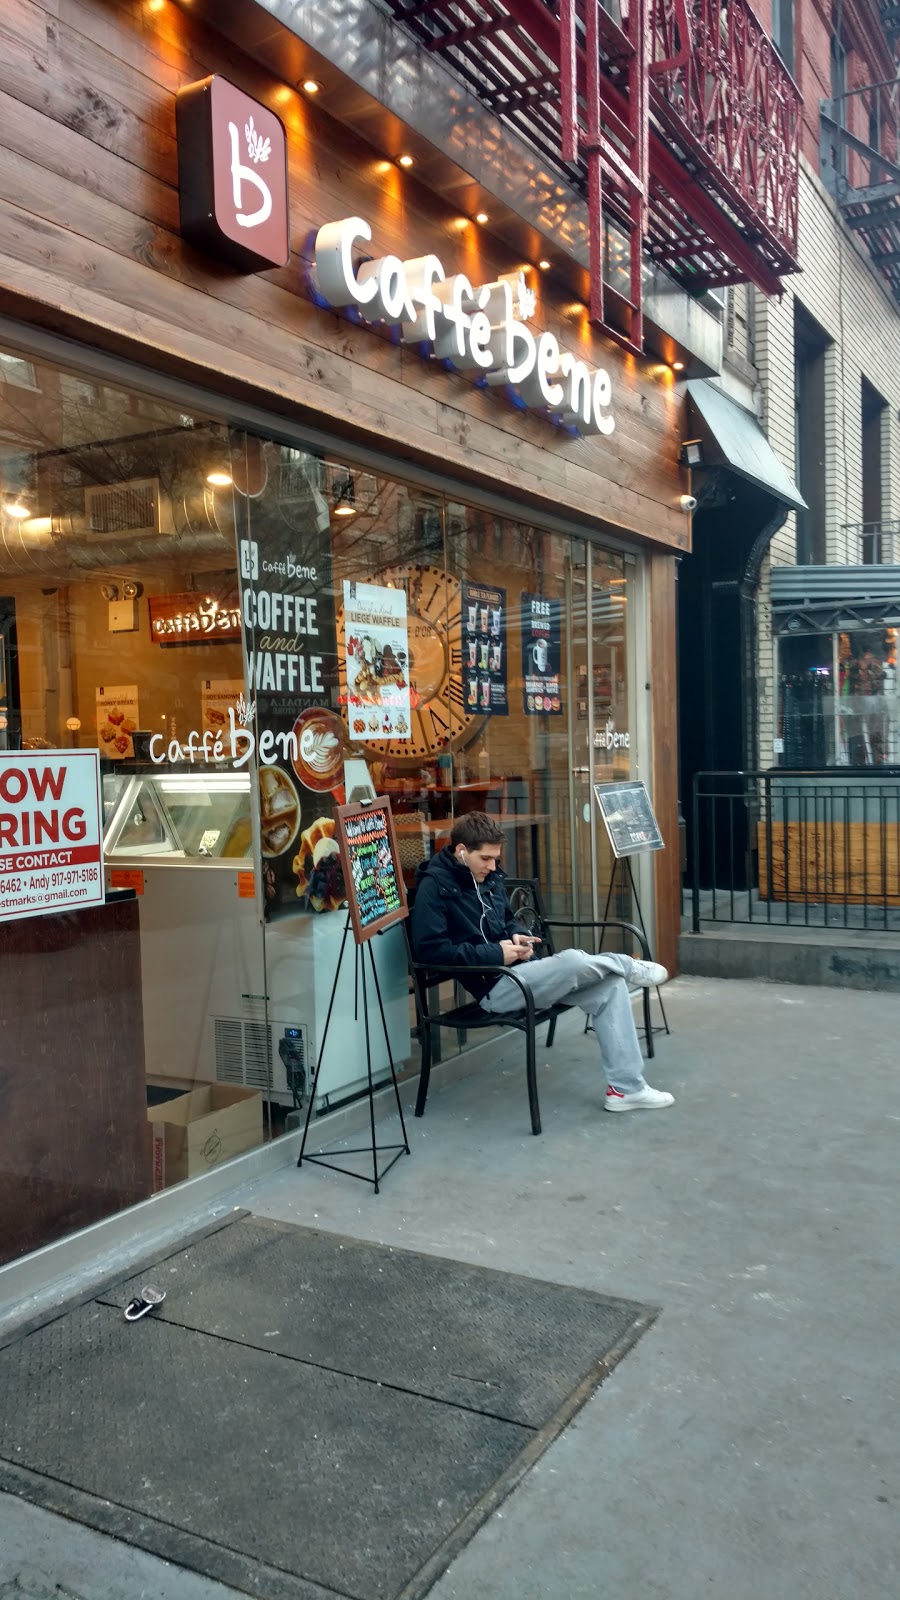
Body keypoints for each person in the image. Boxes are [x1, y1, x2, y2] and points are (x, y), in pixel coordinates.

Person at [410, 812, 674, 1112]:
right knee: (574, 960)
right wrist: (497, 954)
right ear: (461, 851)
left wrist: (519, 938)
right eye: (485, 858)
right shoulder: (434, 887)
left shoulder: (487, 876)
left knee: (609, 985)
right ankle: (626, 964)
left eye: (495, 858)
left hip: (522, 974)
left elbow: (507, 920)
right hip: (494, 989)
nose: (492, 866)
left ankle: (627, 1090)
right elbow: (431, 952)